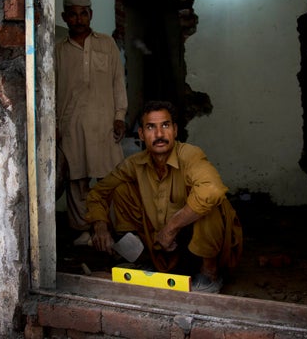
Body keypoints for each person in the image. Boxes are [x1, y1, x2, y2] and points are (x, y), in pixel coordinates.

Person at [85, 101, 243, 293]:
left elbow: (213, 189)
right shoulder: (134, 164)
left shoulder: (190, 155)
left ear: (175, 130)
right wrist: (100, 225)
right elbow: (98, 192)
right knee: (121, 189)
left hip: (199, 248)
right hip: (162, 249)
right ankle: (139, 261)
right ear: (142, 135)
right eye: (151, 127)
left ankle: (209, 275)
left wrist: (172, 227)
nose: (159, 135)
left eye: (165, 126)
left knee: (211, 200)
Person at [56, 0, 128, 246]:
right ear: (64, 17)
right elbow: (50, 92)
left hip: (105, 123)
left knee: (110, 177)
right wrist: (53, 126)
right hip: (71, 126)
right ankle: (83, 230)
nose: (78, 19)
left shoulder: (106, 44)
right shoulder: (58, 51)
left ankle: (112, 227)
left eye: (83, 13)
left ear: (91, 14)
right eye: (72, 14)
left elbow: (118, 83)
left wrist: (120, 115)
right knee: (77, 178)